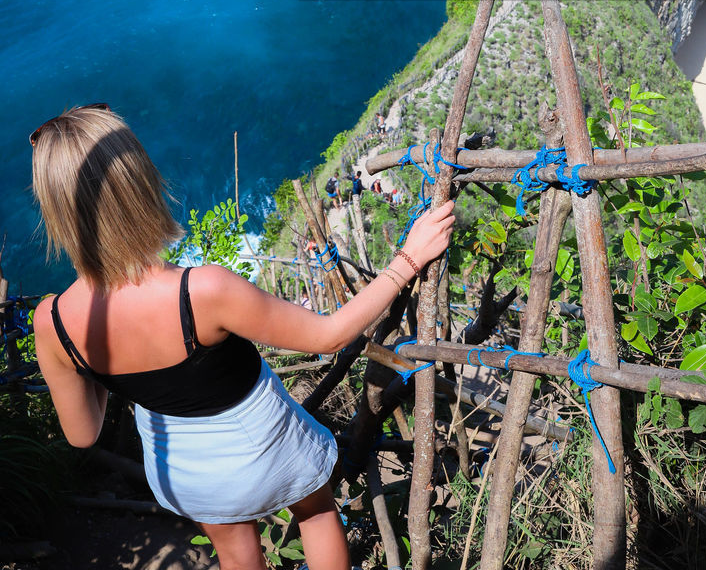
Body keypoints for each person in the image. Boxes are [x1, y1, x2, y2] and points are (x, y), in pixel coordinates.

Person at [31, 105, 454, 570]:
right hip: (263, 445)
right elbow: (330, 336)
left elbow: (83, 433)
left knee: (235, 554)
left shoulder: (52, 321)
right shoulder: (202, 291)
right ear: (139, 184)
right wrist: (408, 260)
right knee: (315, 515)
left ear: (56, 209)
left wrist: (108, 367)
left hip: (185, 471)